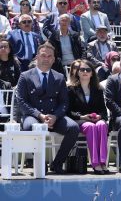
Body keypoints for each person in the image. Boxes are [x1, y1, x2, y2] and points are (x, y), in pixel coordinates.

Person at [17, 42, 80, 174]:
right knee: (29, 127)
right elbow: (21, 101)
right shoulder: (25, 76)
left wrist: (55, 116)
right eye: (43, 56)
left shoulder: (59, 77)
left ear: (53, 59)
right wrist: (40, 115)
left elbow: (64, 102)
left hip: (54, 116)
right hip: (33, 116)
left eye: (49, 56)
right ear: (37, 57)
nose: (46, 59)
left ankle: (57, 163)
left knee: (73, 127)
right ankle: (39, 162)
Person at [67, 60, 109, 175]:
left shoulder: (98, 89)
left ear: (92, 73)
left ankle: (103, 161)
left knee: (102, 124)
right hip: (80, 120)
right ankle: (95, 163)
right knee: (90, 126)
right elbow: (68, 111)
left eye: (88, 70)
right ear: (78, 73)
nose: (85, 72)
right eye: (82, 70)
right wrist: (83, 117)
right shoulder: (71, 89)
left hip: (96, 120)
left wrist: (100, 116)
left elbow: (103, 110)